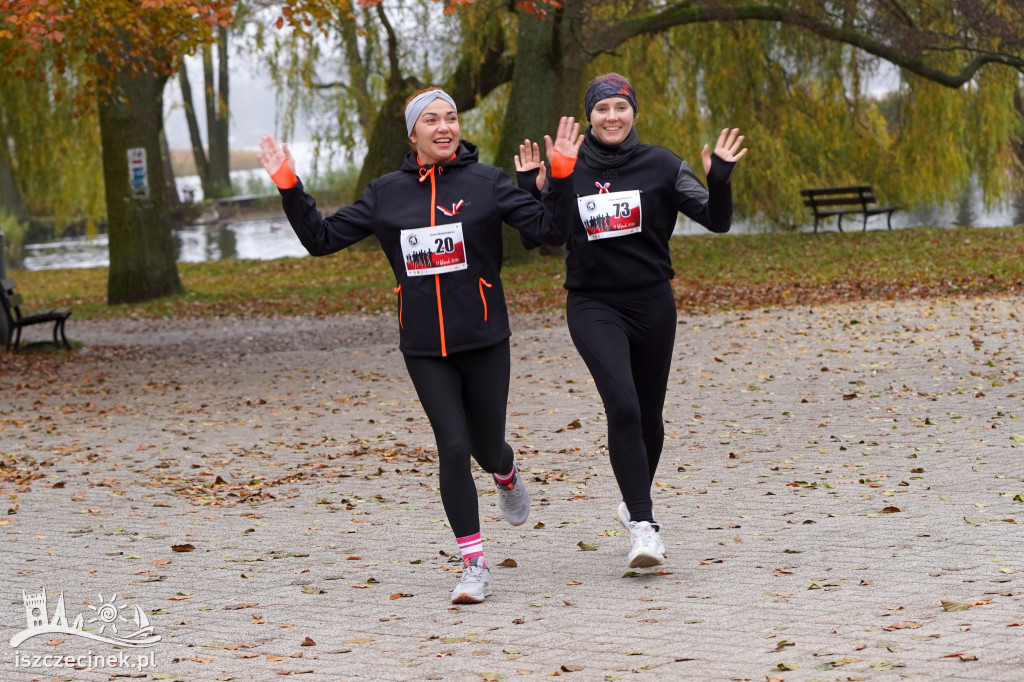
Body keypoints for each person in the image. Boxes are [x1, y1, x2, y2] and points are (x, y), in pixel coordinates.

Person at [258, 88, 583, 603]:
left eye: (451, 117)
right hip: (424, 346)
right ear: (413, 134)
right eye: (430, 120)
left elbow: (551, 230)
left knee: (485, 445)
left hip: (483, 339)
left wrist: (561, 177)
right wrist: (288, 185)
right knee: (453, 447)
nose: (444, 127)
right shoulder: (387, 193)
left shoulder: (487, 182)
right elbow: (320, 239)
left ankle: (505, 469)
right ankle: (473, 563)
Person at [514, 73, 747, 569]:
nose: (612, 117)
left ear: (633, 111)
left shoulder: (662, 164)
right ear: (589, 116)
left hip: (652, 304)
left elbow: (717, 220)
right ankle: (644, 528)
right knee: (621, 404)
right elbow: (543, 236)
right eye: (601, 109)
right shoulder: (568, 165)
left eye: (620, 107)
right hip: (593, 304)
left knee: (648, 416)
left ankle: (632, 498)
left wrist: (720, 179)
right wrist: (545, 183)